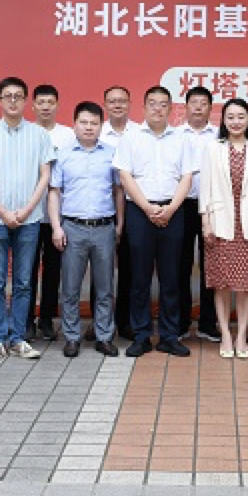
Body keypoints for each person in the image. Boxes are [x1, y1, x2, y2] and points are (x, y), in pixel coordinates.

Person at [0, 77, 53, 361]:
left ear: (26, 100)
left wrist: (27, 209)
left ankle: (18, 338)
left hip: (29, 219)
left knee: (23, 282)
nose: (13, 101)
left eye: (18, 96)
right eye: (8, 96)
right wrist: (3, 211)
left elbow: (45, 175)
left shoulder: (40, 135)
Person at [113, 86, 196, 358]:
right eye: (152, 103)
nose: (157, 108)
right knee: (139, 277)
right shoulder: (130, 137)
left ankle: (170, 336)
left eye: (163, 104)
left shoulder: (182, 138)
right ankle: (141, 335)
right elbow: (125, 176)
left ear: (171, 108)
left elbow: (186, 177)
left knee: (171, 277)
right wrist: (147, 207)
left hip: (173, 211)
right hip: (140, 211)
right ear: (143, 107)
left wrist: (171, 208)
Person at [49, 101, 124, 357]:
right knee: (70, 287)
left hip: (104, 226)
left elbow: (118, 191)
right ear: (74, 124)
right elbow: (54, 192)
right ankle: (71, 337)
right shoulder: (63, 154)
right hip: (73, 227)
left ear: (101, 126)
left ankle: (104, 336)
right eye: (84, 122)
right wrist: (56, 227)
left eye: (94, 123)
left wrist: (119, 224)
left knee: (105, 288)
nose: (89, 127)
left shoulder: (111, 153)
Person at [199, 99, 248, 358]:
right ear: (223, 120)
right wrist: (205, 221)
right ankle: (225, 334)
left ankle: (241, 334)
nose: (236, 121)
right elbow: (205, 187)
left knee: (245, 285)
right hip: (220, 224)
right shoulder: (213, 148)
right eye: (230, 117)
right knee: (221, 284)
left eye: (241, 116)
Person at [30, 84, 78, 342]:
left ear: (58, 105)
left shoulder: (68, 135)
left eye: (50, 102)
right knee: (27, 270)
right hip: (29, 214)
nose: (46, 107)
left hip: (58, 216)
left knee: (53, 270)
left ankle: (47, 319)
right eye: (41, 102)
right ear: (33, 106)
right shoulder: (26, 132)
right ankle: (26, 319)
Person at [99, 85, 141, 340]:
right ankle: (100, 322)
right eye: (112, 101)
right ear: (105, 104)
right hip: (100, 208)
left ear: (130, 104)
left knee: (129, 267)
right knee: (100, 269)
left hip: (133, 206)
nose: (117, 105)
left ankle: (125, 321)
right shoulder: (96, 131)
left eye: (122, 101)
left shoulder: (140, 133)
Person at [179, 87, 220, 342]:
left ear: (210, 108)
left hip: (213, 207)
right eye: (193, 102)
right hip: (181, 206)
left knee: (211, 267)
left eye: (203, 103)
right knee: (180, 266)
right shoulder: (175, 135)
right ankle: (181, 322)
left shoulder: (219, 136)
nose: (197, 107)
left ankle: (208, 323)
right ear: (185, 107)